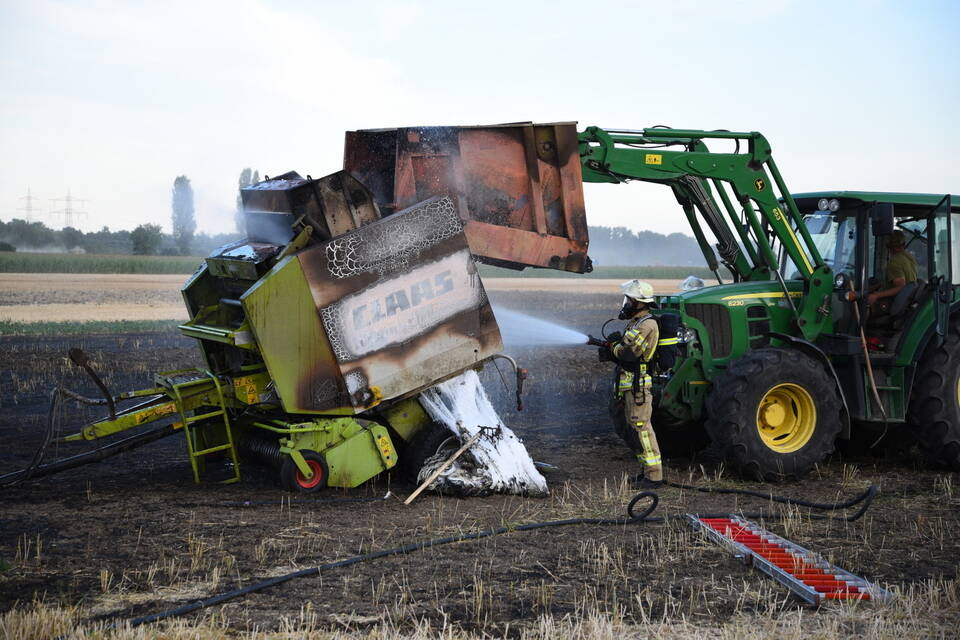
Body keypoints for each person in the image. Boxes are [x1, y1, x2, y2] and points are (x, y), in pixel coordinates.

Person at [606, 279, 664, 489]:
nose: (626, 303)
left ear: (640, 302)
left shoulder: (648, 324)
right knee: (635, 429)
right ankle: (645, 471)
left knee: (643, 429)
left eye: (629, 300)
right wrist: (613, 348)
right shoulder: (636, 322)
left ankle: (654, 476)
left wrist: (613, 349)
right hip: (630, 385)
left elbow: (630, 353)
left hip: (638, 387)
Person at [867, 230, 918, 308]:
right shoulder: (909, 257)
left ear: (888, 245)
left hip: (894, 303)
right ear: (904, 244)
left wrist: (877, 295)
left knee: (865, 307)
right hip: (908, 302)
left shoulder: (894, 262)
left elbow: (901, 287)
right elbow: (903, 280)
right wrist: (877, 286)